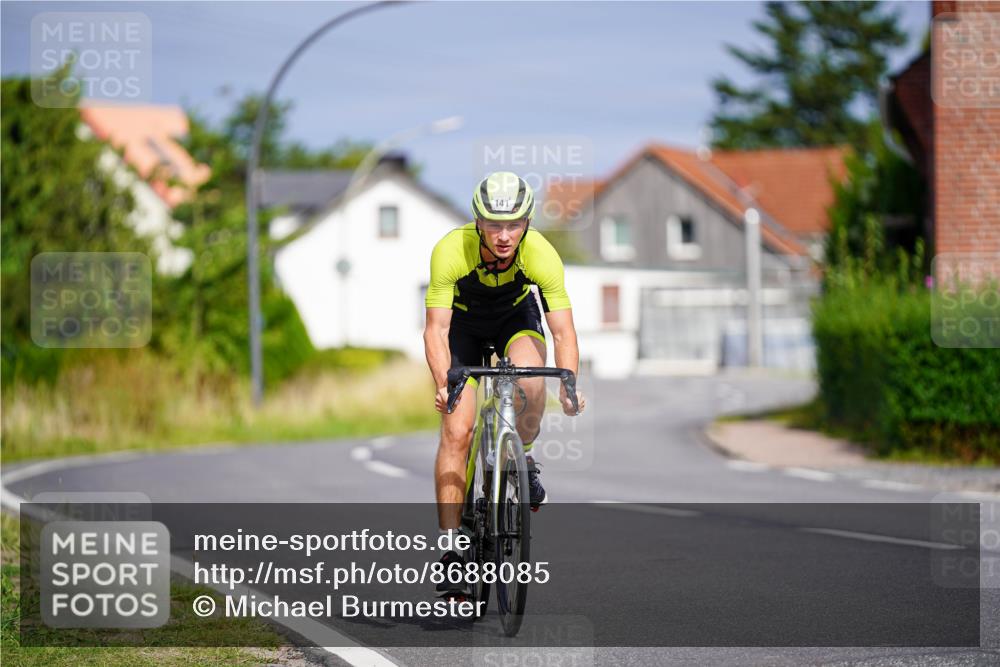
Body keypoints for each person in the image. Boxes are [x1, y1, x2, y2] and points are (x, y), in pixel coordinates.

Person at [423, 171, 586, 594]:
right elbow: (436, 330)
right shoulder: (451, 251)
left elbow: (564, 333)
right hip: (463, 325)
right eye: (494, 224)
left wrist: (569, 386)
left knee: (532, 383)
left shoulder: (541, 254)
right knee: (458, 430)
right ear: (477, 221)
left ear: (527, 223)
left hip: (514, 318)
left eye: (514, 224)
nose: (503, 235)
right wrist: (445, 384)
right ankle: (452, 551)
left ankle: (524, 457)